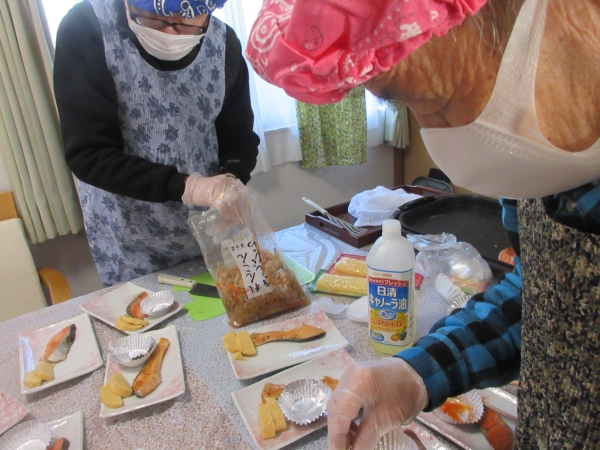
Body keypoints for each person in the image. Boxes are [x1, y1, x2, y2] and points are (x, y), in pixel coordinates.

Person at [245, 0, 600, 448]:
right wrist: (416, 373)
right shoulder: (547, 175)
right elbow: (544, 297)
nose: (436, 135)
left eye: (438, 101)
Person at [53, 0, 259, 286]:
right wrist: (189, 187)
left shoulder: (224, 42)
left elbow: (239, 136)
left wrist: (231, 180)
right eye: (154, 19)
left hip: (218, 225)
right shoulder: (87, 28)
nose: (170, 31)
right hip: (134, 240)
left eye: (186, 21)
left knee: (258, 301)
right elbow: (89, 154)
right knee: (163, 315)